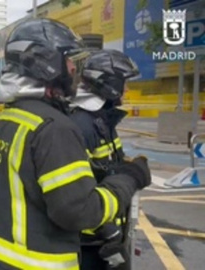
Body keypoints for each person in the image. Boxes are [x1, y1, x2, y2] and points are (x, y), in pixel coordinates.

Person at [0, 19, 152, 270]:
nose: (74, 68)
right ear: (46, 63)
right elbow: (79, 211)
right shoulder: (54, 128)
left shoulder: (7, 118)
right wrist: (128, 180)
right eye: (69, 60)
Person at [70, 49, 140, 270]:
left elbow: (108, 168)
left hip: (107, 236)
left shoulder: (101, 119)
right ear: (109, 83)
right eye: (124, 83)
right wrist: (108, 230)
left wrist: (131, 172)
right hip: (91, 242)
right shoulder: (82, 124)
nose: (127, 89)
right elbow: (79, 187)